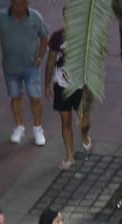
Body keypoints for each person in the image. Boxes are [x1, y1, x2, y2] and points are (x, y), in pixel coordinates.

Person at [0, 0, 49, 147]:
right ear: (11, 3)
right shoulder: (0, 18)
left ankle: (37, 128)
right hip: (11, 67)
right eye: (16, 4)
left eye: (23, 4)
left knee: (35, 98)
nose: (19, 7)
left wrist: (40, 58)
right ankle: (19, 127)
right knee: (15, 97)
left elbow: (44, 38)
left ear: (27, 4)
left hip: (31, 67)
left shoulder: (36, 17)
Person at [45, 28, 91, 169]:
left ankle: (84, 136)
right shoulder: (57, 37)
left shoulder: (86, 34)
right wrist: (47, 84)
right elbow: (51, 60)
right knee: (66, 122)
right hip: (62, 86)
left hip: (81, 86)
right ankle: (70, 156)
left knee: (85, 122)